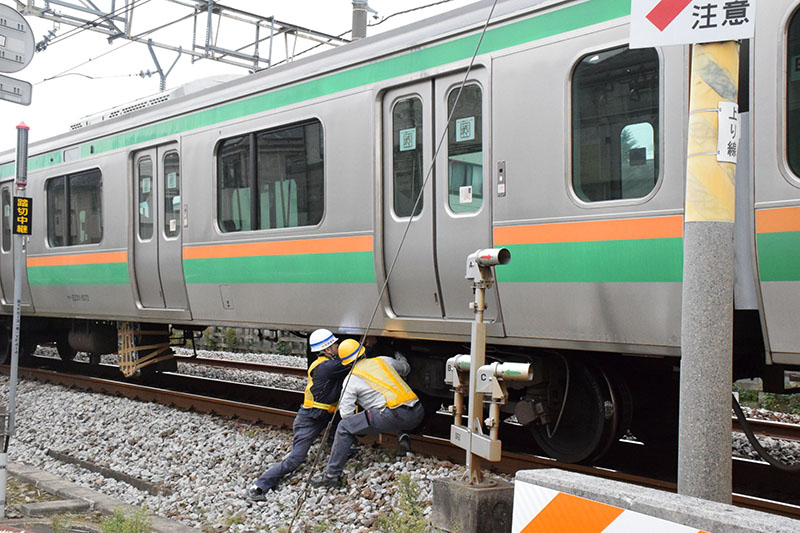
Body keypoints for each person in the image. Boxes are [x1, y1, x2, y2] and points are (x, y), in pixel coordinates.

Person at [247, 328, 354, 500]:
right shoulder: (326, 367)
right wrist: (368, 347)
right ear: (327, 350)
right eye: (335, 344)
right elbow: (352, 362)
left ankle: (341, 448)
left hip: (324, 414)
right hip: (309, 419)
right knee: (295, 460)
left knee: (339, 425)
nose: (338, 346)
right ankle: (260, 485)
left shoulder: (326, 364)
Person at [311, 338, 424, 488]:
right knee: (390, 399)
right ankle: (403, 437)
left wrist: (363, 417)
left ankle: (332, 475)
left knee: (344, 427)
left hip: (395, 416)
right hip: (417, 410)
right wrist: (399, 354)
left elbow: (346, 415)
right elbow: (405, 367)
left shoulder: (351, 380)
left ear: (344, 362)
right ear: (363, 352)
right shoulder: (383, 361)